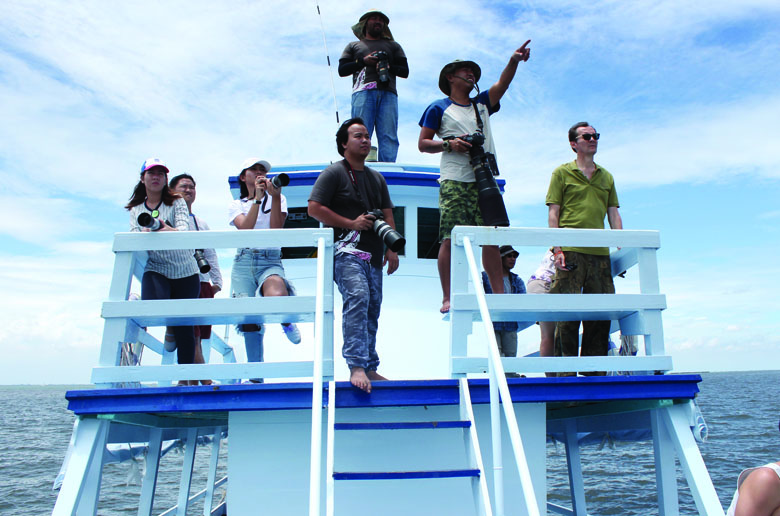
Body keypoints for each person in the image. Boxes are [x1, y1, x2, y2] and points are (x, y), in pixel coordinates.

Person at [417, 43, 531, 313]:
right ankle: (448, 297)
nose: (471, 74)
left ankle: (499, 297)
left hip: (485, 176)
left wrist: (514, 60)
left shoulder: (482, 105)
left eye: (473, 72)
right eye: (465, 71)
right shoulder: (438, 107)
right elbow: (423, 143)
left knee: (491, 238)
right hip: (455, 179)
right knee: (450, 237)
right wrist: (450, 144)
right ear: (450, 77)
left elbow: (503, 84)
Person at [308, 118, 399, 393]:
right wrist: (350, 223)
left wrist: (393, 248)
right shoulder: (334, 173)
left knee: (373, 307)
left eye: (367, 136)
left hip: (373, 254)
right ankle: (356, 366)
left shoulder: (376, 177)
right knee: (358, 297)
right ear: (344, 144)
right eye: (358, 136)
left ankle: (370, 366)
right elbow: (314, 208)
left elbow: (388, 213)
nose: (365, 140)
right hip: (345, 251)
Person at [546, 122, 623, 368]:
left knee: (600, 315)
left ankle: (594, 373)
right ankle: (564, 374)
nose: (593, 139)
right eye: (587, 136)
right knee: (567, 314)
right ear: (573, 143)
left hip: (600, 255)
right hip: (570, 253)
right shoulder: (561, 173)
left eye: (595, 135)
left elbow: (613, 214)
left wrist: (621, 244)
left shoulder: (607, 176)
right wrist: (557, 248)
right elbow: (553, 213)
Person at [229, 158, 301, 382]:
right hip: (243, 261)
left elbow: (276, 229)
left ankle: (287, 321)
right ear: (244, 176)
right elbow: (245, 230)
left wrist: (275, 197)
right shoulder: (236, 204)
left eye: (263, 170)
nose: (260, 173)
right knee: (249, 319)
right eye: (255, 170)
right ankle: (256, 375)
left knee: (277, 294)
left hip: (269, 259)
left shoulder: (279, 199)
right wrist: (257, 201)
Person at [125, 158, 200, 368]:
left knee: (185, 326)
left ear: (166, 178)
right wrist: (145, 234)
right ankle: (145, 307)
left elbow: (185, 231)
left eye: (161, 173)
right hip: (157, 268)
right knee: (154, 308)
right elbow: (133, 237)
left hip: (186, 270)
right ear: (142, 178)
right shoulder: (136, 208)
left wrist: (167, 230)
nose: (156, 177)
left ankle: (185, 379)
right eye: (151, 173)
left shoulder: (176, 201)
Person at [170, 173, 223, 385]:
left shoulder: (200, 222)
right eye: (184, 186)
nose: (189, 190)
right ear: (172, 191)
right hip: (180, 278)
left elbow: (210, 253)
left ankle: (190, 379)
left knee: (199, 333)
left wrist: (216, 281)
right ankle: (200, 379)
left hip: (201, 281)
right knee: (191, 333)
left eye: (192, 187)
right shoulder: (167, 218)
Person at [339, 10, 408, 163]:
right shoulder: (353, 46)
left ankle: (388, 169)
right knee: (359, 134)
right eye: (374, 19)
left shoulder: (394, 46)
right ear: (364, 24)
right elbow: (342, 70)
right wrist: (363, 61)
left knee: (389, 135)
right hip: (362, 93)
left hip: (388, 93)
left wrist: (388, 68)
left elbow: (405, 71)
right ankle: (357, 167)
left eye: (381, 20)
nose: (378, 22)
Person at [481, 245, 526, 360]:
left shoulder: (517, 280)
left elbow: (523, 302)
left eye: (514, 256)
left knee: (510, 358)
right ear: (499, 258)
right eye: (509, 256)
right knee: (497, 357)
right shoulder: (484, 277)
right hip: (494, 323)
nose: (513, 259)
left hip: (510, 325)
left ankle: (509, 377)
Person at [527, 249, 557, 376]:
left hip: (538, 282)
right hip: (545, 283)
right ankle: (552, 377)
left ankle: (552, 376)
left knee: (548, 335)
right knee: (550, 335)